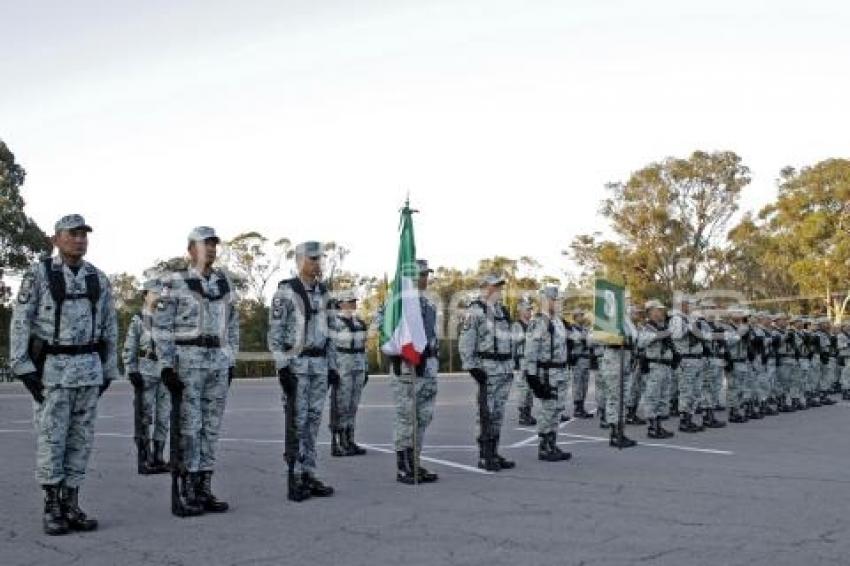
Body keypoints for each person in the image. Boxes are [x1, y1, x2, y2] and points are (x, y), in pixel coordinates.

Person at [10, 214, 118, 535]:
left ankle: (72, 502)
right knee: (52, 439)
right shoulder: (39, 275)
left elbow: (111, 326)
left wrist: (109, 368)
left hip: (88, 370)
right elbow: (21, 321)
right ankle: (52, 505)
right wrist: (23, 367)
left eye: (84, 234)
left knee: (81, 441)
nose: (80, 239)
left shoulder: (98, 278)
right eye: (72, 234)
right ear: (56, 239)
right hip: (52, 373)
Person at [155, 226, 238, 515]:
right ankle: (186, 488)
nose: (211, 249)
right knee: (190, 428)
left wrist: (231, 360)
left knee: (211, 429)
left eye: (214, 244)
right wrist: (166, 365)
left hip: (217, 360)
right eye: (205, 244)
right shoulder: (175, 282)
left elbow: (233, 324)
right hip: (187, 361)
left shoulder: (224, 283)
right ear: (191, 249)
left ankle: (204, 486)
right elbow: (162, 326)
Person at [268, 241, 337, 500]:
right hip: (296, 365)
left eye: (319, 258)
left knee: (313, 421)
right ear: (299, 261)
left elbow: (331, 332)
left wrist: (332, 366)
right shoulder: (286, 292)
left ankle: (309, 473)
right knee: (296, 421)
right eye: (312, 259)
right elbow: (274, 335)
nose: (317, 263)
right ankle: (294, 476)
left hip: (319, 365)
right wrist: (282, 367)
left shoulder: (325, 293)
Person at [459, 274, 515, 471]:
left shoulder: (502, 311)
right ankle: (484, 455)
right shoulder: (476, 310)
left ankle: (494, 451)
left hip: (504, 370)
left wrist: (512, 364)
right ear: (486, 288)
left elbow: (510, 341)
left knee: (498, 413)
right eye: (496, 286)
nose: (500, 289)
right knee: (485, 413)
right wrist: (472, 367)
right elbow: (466, 341)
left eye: (500, 286)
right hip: (487, 370)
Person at [123, 278, 170, 474]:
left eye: (161, 292)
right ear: (145, 295)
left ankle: (159, 456)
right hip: (146, 371)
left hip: (165, 374)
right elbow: (129, 348)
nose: (159, 296)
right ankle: (145, 459)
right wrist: (131, 370)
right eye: (154, 292)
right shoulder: (139, 321)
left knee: (164, 416)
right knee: (144, 417)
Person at [523, 286, 572, 461]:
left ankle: (552, 443)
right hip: (547, 373)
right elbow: (530, 352)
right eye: (555, 299)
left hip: (560, 371)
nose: (558, 302)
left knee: (558, 409)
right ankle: (544, 447)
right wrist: (533, 378)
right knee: (548, 409)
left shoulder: (558, 321)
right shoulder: (538, 322)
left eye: (558, 300)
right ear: (545, 300)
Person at [330, 289, 369, 456]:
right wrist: (332, 369)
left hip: (358, 366)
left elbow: (363, 348)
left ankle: (349, 440)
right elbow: (330, 348)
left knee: (353, 406)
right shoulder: (334, 324)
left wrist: (366, 368)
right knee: (340, 406)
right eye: (350, 301)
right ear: (341, 303)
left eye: (354, 301)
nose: (354, 303)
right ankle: (337, 443)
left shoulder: (360, 323)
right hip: (342, 367)